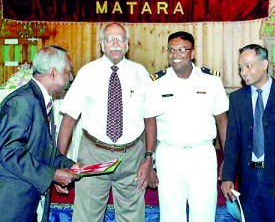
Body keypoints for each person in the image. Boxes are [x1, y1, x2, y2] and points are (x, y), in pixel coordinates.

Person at [57, 22, 161, 222]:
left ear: (127, 45)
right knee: (86, 217)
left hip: (132, 156)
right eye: (110, 39)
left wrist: (149, 159)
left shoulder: (140, 73)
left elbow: (150, 119)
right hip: (94, 155)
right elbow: (68, 120)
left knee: (133, 218)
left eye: (120, 38)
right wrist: (59, 161)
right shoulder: (87, 73)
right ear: (101, 44)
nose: (115, 43)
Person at [150, 31, 228, 222]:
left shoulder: (211, 81)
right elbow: (149, 123)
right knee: (170, 215)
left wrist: (228, 157)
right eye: (171, 50)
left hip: (202, 155)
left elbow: (222, 121)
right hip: (169, 155)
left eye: (182, 50)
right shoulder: (156, 83)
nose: (175, 55)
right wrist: (149, 160)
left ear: (192, 53)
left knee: (204, 213)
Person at [0, 45, 80, 222]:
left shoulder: (39, 100)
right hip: (12, 203)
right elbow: (10, 153)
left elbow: (42, 150)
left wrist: (68, 164)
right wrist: (52, 175)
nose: (71, 77)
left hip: (29, 200)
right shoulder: (22, 102)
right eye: (67, 72)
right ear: (52, 73)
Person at [221, 44, 275, 222]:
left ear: (264, 64)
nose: (243, 72)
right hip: (248, 183)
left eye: (249, 66)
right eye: (240, 67)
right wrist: (227, 176)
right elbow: (232, 141)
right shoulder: (237, 99)